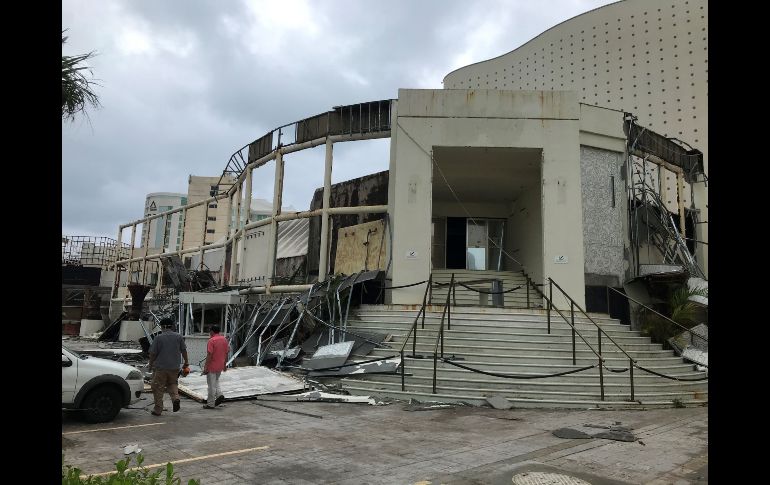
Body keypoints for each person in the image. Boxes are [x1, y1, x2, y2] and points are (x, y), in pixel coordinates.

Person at [148, 317, 189, 416]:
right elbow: (184, 350)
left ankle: (158, 410)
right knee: (172, 384)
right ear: (172, 326)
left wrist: (150, 364)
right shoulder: (179, 337)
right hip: (174, 367)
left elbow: (153, 353)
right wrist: (186, 362)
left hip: (161, 368)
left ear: (162, 327)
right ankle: (176, 399)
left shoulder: (159, 338)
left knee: (158, 387)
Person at [202, 325, 229, 409]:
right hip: (220, 365)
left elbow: (209, 354)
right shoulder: (224, 339)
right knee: (216, 381)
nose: (209, 332)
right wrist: (225, 364)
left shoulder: (211, 341)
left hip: (212, 365)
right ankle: (219, 394)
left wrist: (206, 366)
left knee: (211, 385)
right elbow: (226, 353)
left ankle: (210, 403)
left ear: (212, 331)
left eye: (210, 331)